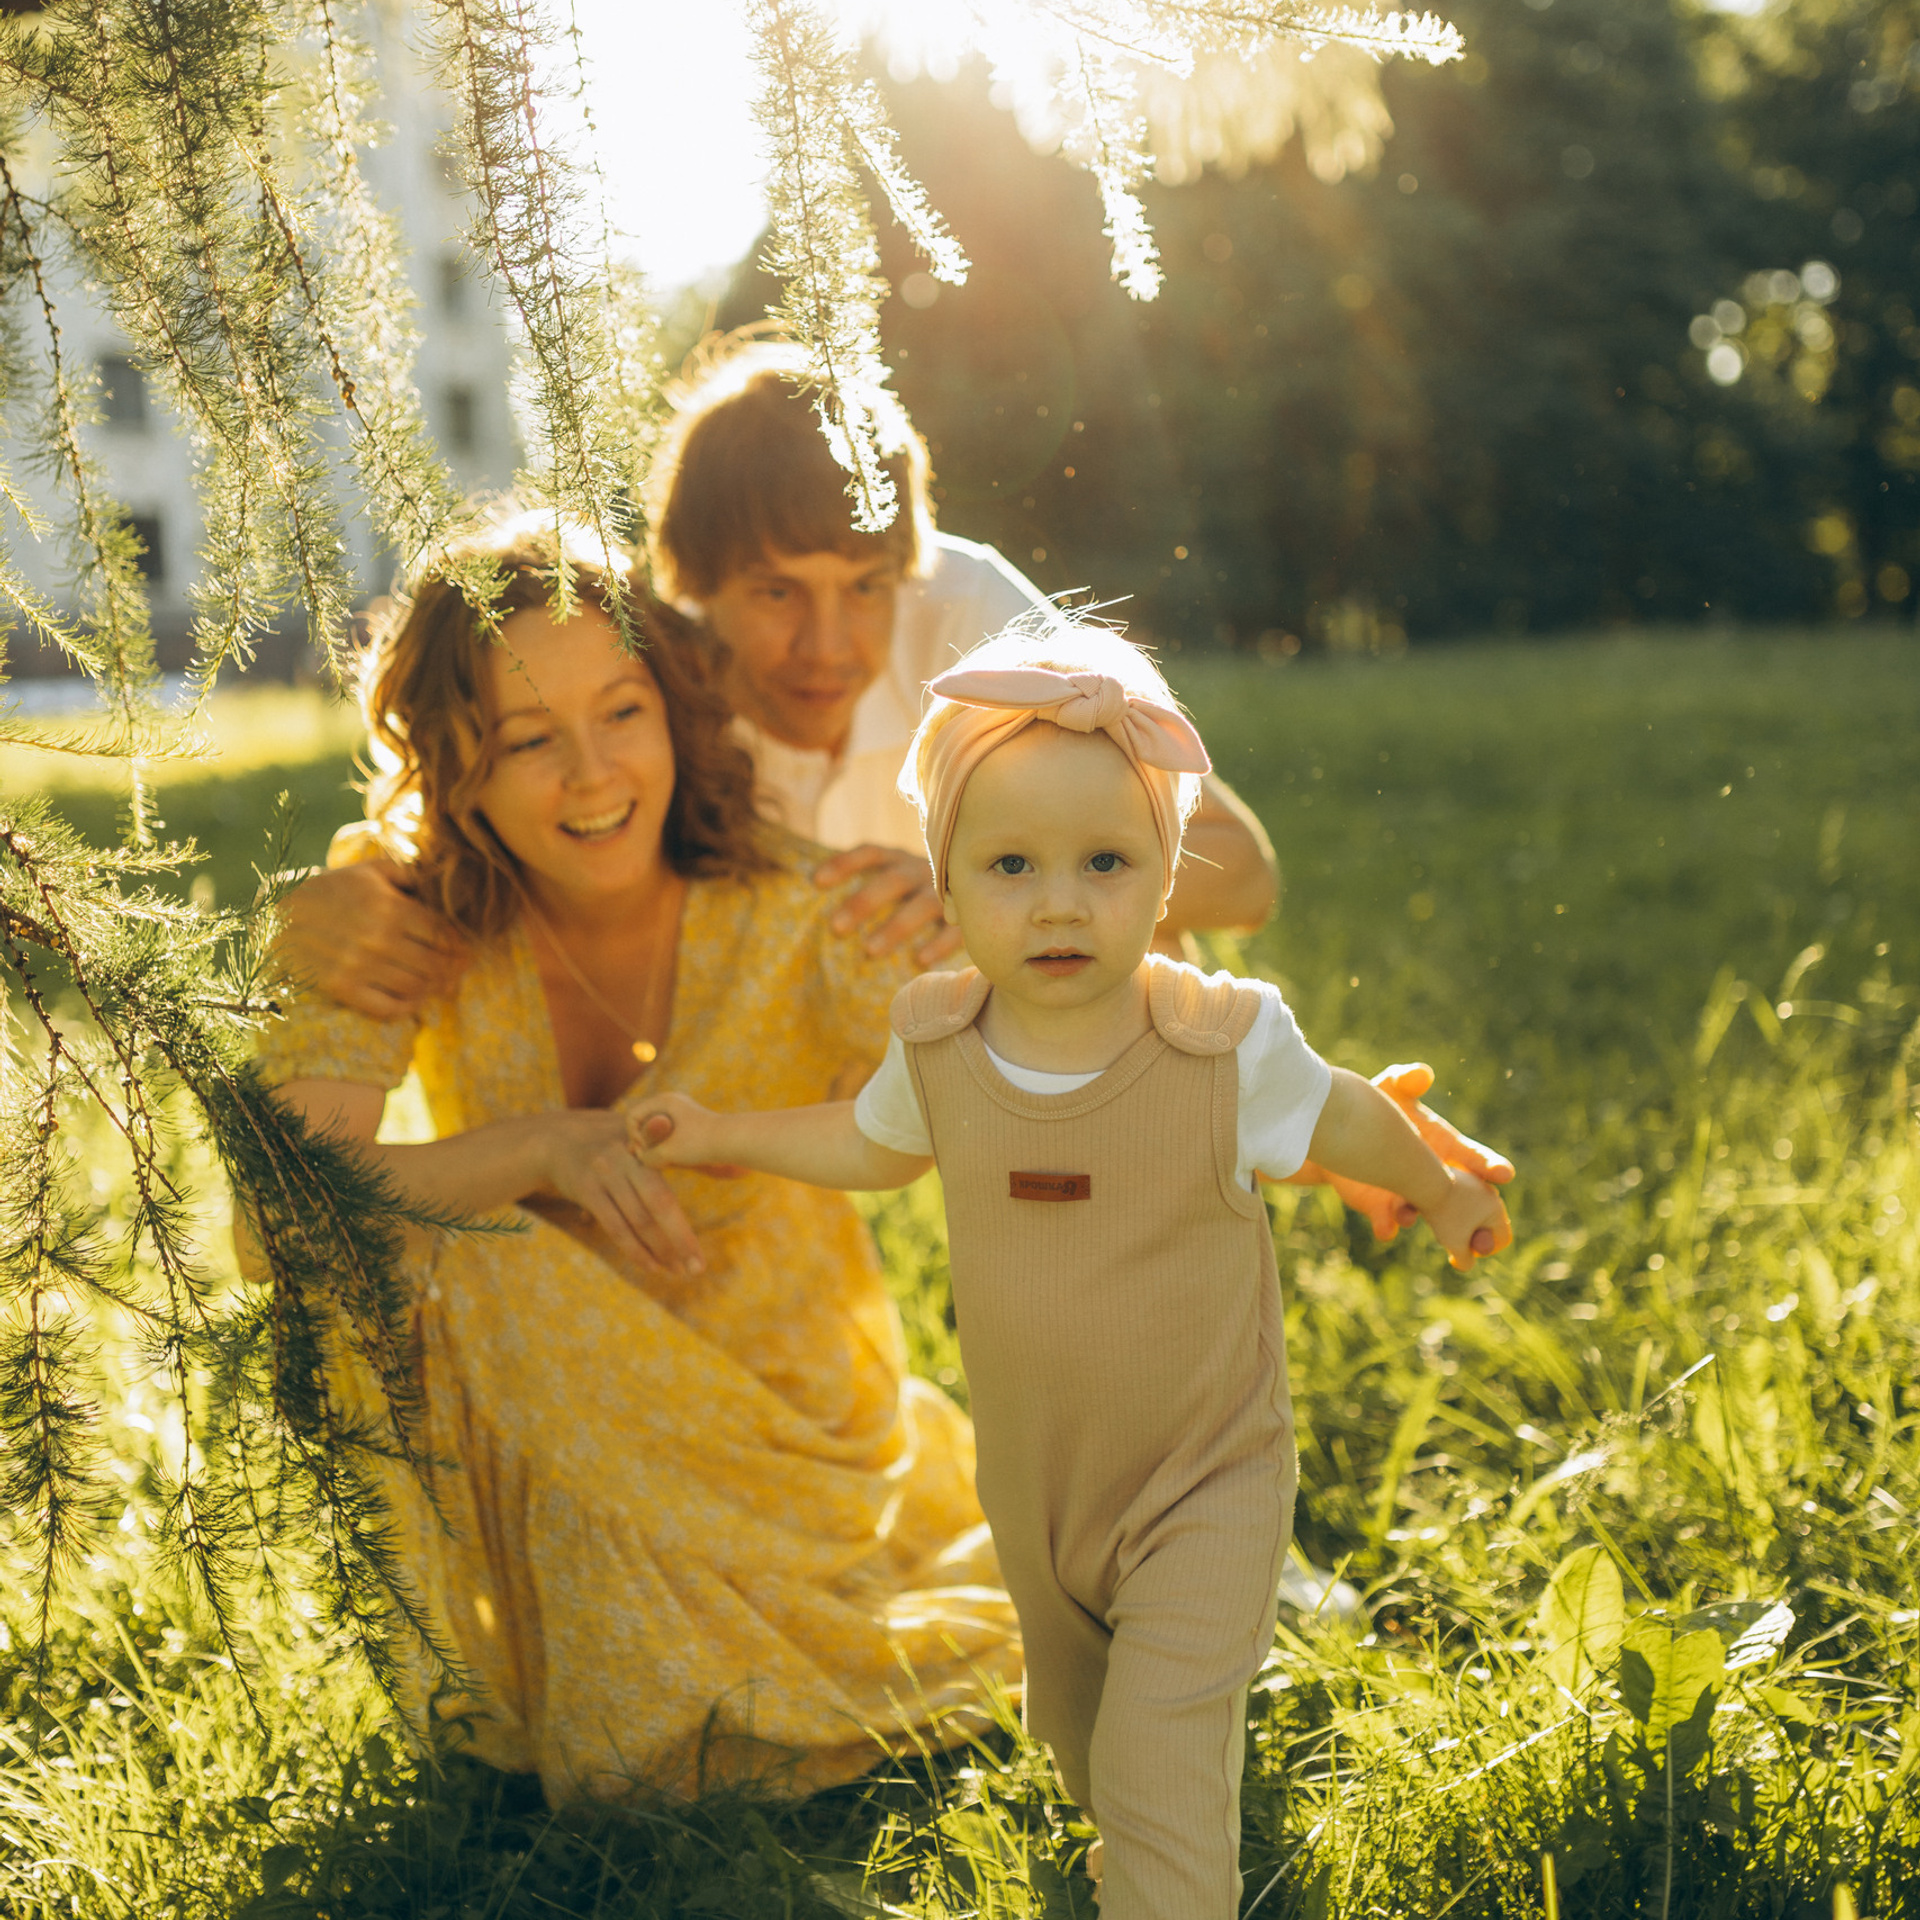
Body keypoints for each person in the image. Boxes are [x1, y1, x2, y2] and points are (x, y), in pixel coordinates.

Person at [629, 619, 1515, 1918]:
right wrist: (722, 1135)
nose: (1058, 901)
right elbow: (869, 1147)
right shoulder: (938, 1042)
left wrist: (1436, 1188)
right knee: (1079, 1739)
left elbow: (1346, 1116)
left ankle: (1165, 1881)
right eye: (1011, 866)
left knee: (1160, 1748)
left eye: (1106, 860)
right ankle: (1131, 1842)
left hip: (1206, 1469)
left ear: (1165, 876)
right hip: (1037, 1487)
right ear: (947, 884)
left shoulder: (1221, 1043)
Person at [249, 511, 1020, 1803]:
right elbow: (274, 1223)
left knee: (455, 1248)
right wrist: (534, 1148)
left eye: (623, 713)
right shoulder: (398, 918)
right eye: (528, 740)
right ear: (455, 764)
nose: (595, 774)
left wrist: (1311, 1125)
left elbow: (1056, 1060)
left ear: (675, 713)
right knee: (424, 1250)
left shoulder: (809, 914)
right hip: (552, 1416)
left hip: (788, 1424)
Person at [270, 337, 1279, 1015]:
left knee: (1144, 938)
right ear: (699, 589)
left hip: (1020, 978)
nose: (828, 645)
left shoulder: (969, 611)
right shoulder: (657, 677)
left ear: (908, 571)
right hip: (792, 1039)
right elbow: (504, 801)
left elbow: (1244, 873)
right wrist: (318, 908)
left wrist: (977, 885)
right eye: (777, 593)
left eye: (865, 587)